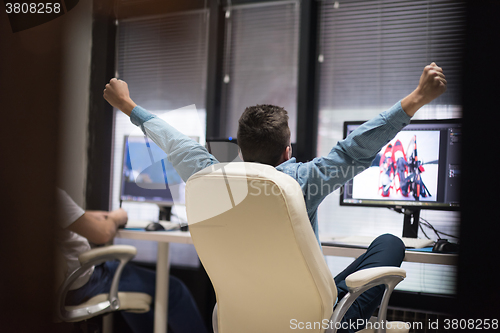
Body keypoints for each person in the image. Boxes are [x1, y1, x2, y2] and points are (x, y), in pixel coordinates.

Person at [103, 63, 447, 332]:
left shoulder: (211, 180)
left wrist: (128, 104)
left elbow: (174, 141)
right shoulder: (301, 181)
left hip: (243, 316)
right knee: (390, 243)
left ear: (240, 148)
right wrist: (416, 97)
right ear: (287, 151)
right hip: (312, 322)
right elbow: (353, 150)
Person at [56, 188, 208, 333]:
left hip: (58, 290)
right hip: (83, 282)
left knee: (138, 299)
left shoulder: (36, 197)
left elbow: (78, 217)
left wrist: (104, 217)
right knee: (175, 290)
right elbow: (102, 234)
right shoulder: (52, 194)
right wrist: (116, 217)